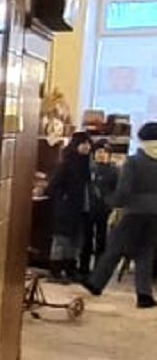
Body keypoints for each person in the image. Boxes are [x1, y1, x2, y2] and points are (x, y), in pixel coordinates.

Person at [86, 120, 157, 308]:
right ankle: (144, 295)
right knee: (145, 252)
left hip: (134, 211)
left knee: (115, 247)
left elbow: (123, 192)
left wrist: (110, 200)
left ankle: (95, 284)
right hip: (155, 214)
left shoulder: (133, 162)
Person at [46, 129, 94, 282]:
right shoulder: (66, 164)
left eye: (88, 143)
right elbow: (52, 187)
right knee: (61, 240)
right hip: (66, 209)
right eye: (83, 143)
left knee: (75, 241)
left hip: (82, 209)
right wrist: (64, 198)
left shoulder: (86, 164)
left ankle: (70, 269)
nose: (87, 147)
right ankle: (55, 271)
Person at [81, 136, 119, 281]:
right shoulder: (88, 169)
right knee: (86, 239)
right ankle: (83, 268)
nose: (101, 155)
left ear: (109, 154)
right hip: (88, 209)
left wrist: (111, 204)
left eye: (104, 152)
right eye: (98, 152)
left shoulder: (114, 171)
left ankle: (98, 270)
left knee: (102, 240)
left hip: (104, 210)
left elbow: (117, 191)